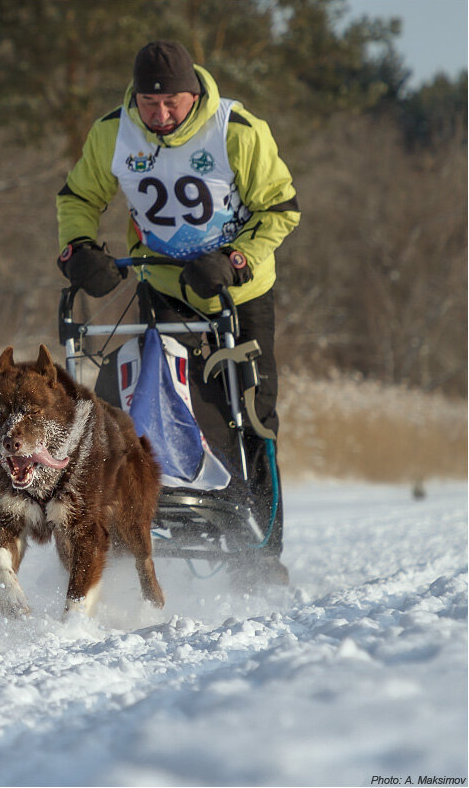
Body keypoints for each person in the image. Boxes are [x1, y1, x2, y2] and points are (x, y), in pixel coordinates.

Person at [55, 40, 299, 585]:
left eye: (172, 104)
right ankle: (149, 517)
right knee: (157, 396)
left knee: (252, 413)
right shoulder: (113, 132)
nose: (160, 116)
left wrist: (234, 260)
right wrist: (79, 250)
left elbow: (281, 209)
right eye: (149, 104)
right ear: (135, 97)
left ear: (194, 93)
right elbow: (77, 198)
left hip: (239, 288)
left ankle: (262, 555)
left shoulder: (237, 130)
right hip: (163, 282)